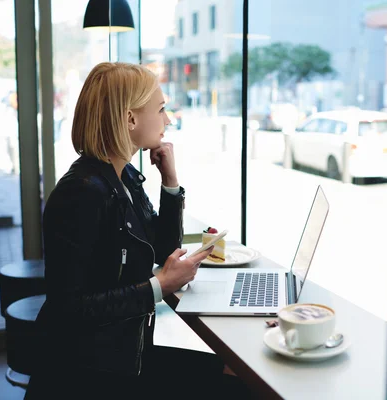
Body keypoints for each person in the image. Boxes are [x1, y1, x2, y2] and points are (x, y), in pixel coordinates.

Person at [25, 62, 249, 400]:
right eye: (160, 109)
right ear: (130, 119)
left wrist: (171, 184)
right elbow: (68, 308)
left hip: (123, 358)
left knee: (236, 375)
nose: (168, 119)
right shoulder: (81, 192)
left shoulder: (123, 176)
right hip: (88, 373)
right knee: (237, 383)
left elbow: (163, 250)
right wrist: (160, 286)